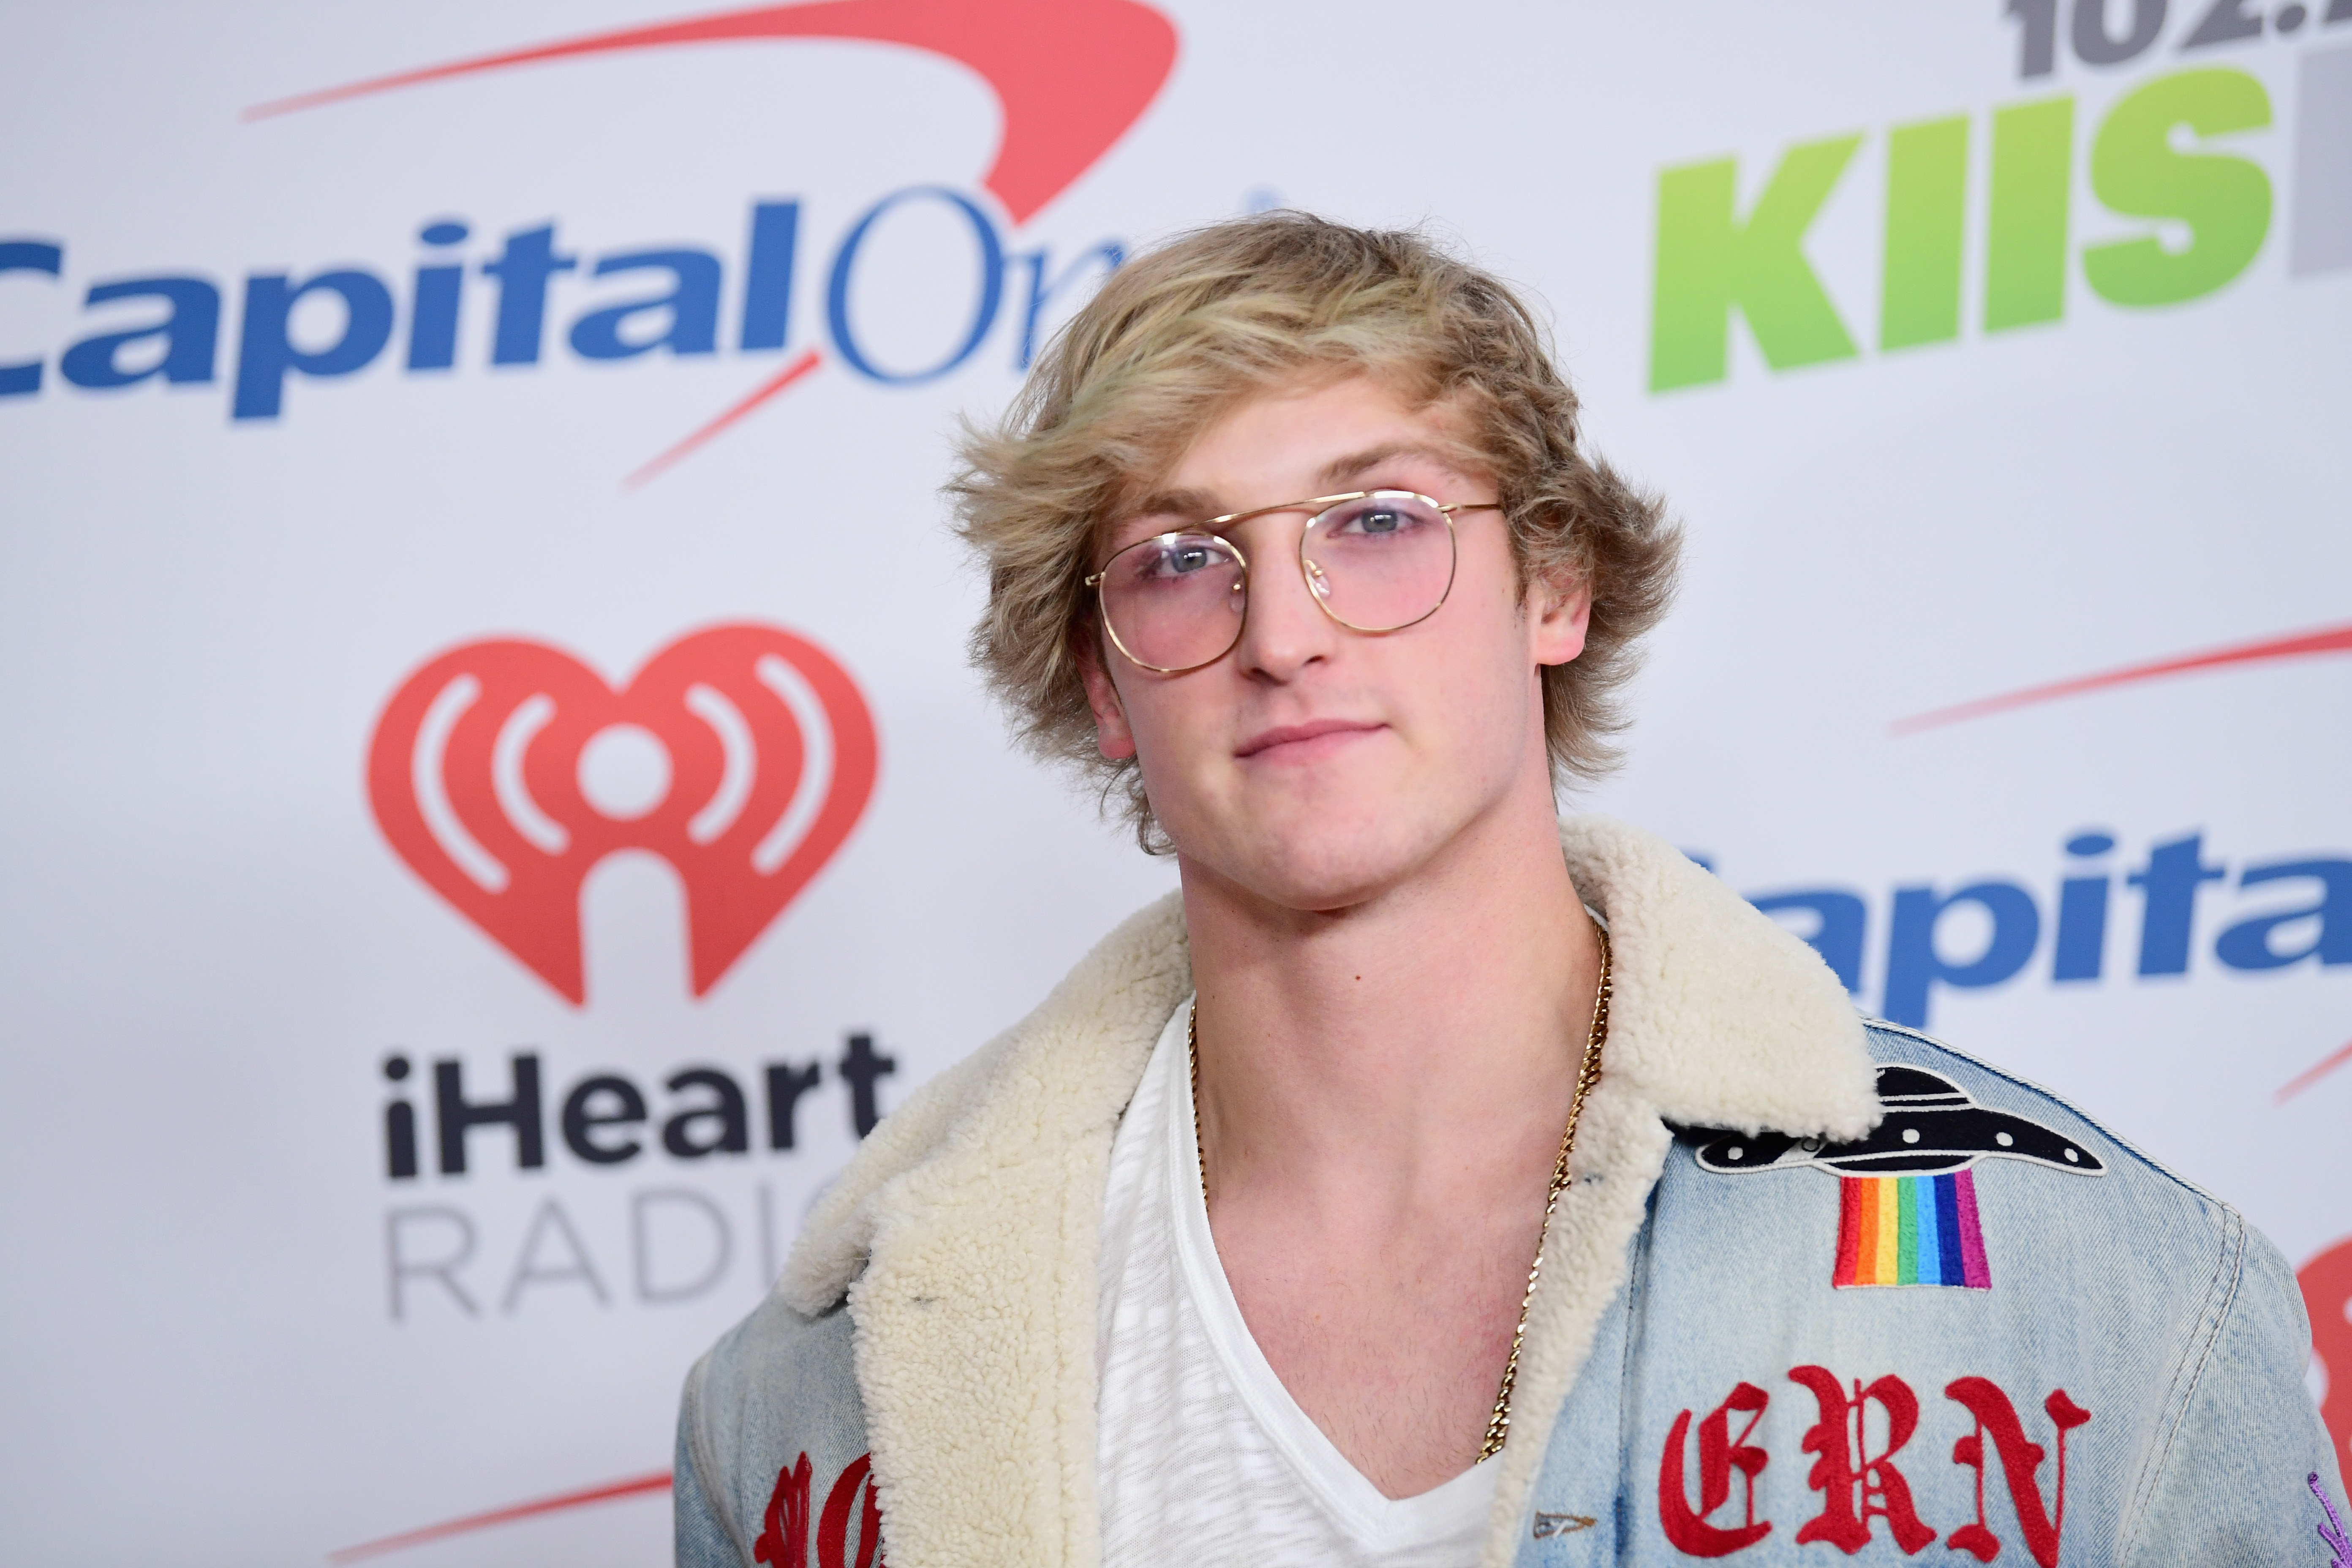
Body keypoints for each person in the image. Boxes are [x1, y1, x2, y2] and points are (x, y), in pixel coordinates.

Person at [674, 213, 2344, 1567]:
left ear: (1554, 582)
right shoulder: (821, 1398)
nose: (1287, 630)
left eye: (1381, 521)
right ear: (1104, 683)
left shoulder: (2098, 1286)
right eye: (1182, 561)